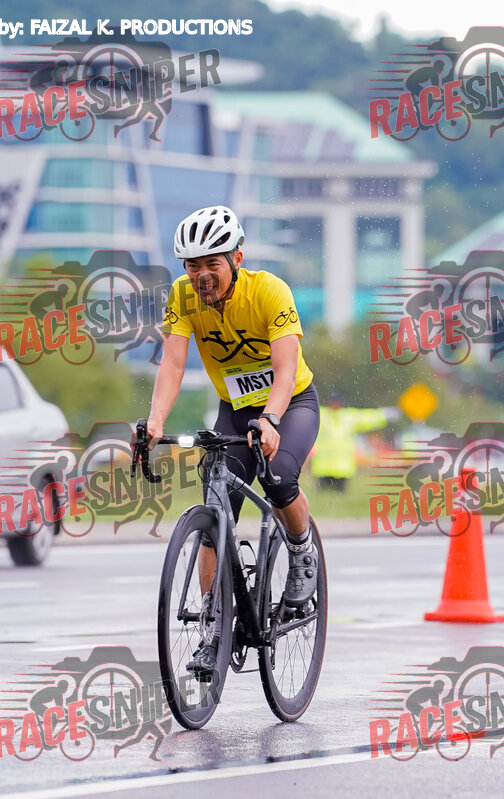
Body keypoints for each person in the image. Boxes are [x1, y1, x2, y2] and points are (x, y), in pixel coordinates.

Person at [147, 205, 321, 678]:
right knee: (215, 509)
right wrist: (155, 421)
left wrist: (271, 418)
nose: (201, 275)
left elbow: (285, 368)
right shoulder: (183, 297)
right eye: (192, 265)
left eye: (212, 263)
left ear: (237, 259)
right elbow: (173, 364)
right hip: (236, 409)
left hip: (290, 403)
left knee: (278, 477)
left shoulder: (269, 291)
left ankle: (301, 550)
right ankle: (214, 627)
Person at [312, 394, 400, 492]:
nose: (335, 405)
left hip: (342, 468)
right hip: (323, 467)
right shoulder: (322, 415)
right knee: (323, 495)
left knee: (338, 496)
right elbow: (307, 415)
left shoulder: (348, 417)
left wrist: (384, 414)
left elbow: (367, 418)